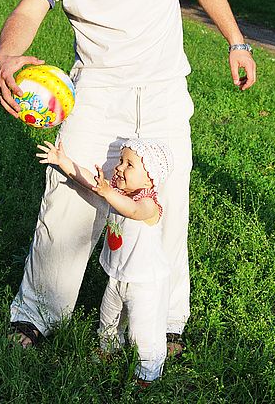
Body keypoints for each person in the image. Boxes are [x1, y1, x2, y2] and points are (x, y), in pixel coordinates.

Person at [0, 0, 256, 352]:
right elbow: (30, 8)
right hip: (95, 89)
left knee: (167, 204)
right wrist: (7, 55)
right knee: (70, 198)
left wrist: (236, 42)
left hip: (161, 90)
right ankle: (36, 316)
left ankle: (167, 320)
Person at [35, 137, 174, 384]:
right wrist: (63, 161)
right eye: (121, 161)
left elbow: (132, 211)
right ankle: (109, 348)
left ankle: (148, 373)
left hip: (145, 284)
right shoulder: (117, 192)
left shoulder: (149, 204)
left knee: (144, 332)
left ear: (150, 177)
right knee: (109, 317)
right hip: (118, 276)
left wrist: (108, 191)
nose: (119, 167)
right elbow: (89, 181)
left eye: (129, 164)